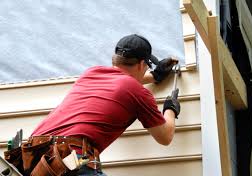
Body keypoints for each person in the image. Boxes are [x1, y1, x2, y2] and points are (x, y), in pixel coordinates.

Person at [28, 34, 180, 175]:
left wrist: (154, 76)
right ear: (141, 64)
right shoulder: (138, 92)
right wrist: (170, 108)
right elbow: (165, 137)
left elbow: (121, 83)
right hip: (69, 157)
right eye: (147, 66)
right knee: (83, 163)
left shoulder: (91, 73)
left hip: (34, 155)